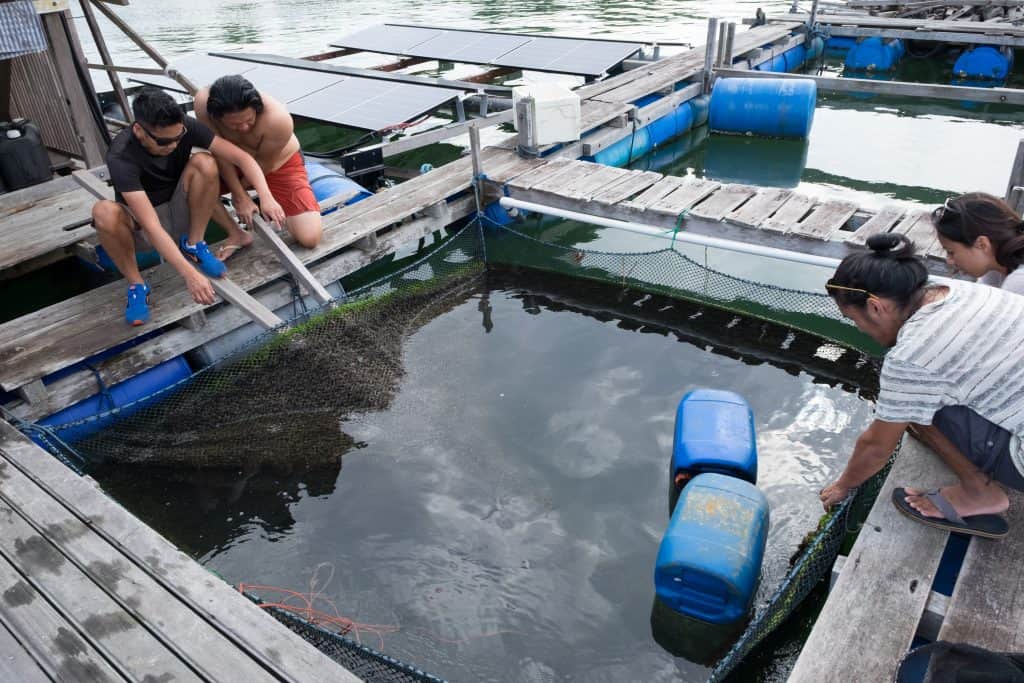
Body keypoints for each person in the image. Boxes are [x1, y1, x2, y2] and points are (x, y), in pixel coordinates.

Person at [818, 233, 1024, 539]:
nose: (858, 328)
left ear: (875, 307)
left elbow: (876, 446)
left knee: (909, 405)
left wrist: (843, 486)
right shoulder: (959, 290)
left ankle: (979, 494)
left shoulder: (912, 355)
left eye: (853, 319)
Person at [93, 87, 286, 326]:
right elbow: (152, 226)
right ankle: (137, 285)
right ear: (139, 131)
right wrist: (190, 275)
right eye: (164, 141)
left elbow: (242, 158)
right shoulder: (121, 156)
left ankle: (194, 244)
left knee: (205, 162)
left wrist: (265, 196)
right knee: (103, 211)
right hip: (144, 226)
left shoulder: (184, 126)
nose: (174, 145)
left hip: (180, 209)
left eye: (179, 137)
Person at [193, 74, 323, 251]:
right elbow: (219, 153)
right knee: (195, 178)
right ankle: (235, 233)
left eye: (249, 120)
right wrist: (239, 195)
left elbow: (264, 164)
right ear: (218, 117)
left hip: (276, 164)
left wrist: (258, 196)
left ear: (257, 108)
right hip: (230, 161)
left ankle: (278, 209)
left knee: (310, 238)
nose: (244, 128)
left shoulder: (278, 119)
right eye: (234, 125)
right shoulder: (203, 104)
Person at [932, 192, 1024, 295]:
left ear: (982, 244)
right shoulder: (995, 264)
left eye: (951, 252)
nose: (949, 261)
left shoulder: (1019, 282)